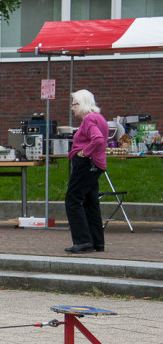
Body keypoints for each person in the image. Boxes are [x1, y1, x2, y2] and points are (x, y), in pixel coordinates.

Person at [65, 89, 108, 254]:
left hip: (86, 164)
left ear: (81, 104)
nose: (72, 108)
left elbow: (97, 139)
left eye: (74, 104)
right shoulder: (99, 117)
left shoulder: (89, 119)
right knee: (91, 202)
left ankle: (83, 241)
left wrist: (85, 152)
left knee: (73, 200)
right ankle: (97, 242)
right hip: (96, 165)